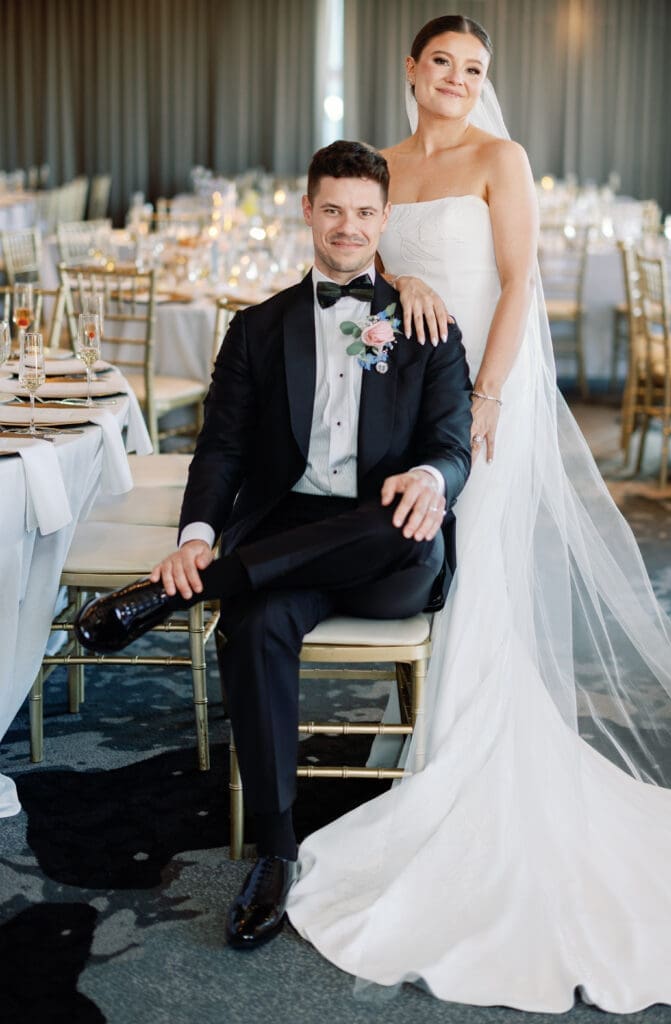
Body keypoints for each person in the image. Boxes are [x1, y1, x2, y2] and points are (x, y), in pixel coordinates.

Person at [285, 15, 671, 1014]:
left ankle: (466, 763)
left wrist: (487, 399)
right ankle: (435, 731)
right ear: (411, 69)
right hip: (413, 401)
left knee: (480, 566)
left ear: (484, 80)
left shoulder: (503, 156)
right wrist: (397, 277)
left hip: (490, 394)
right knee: (426, 563)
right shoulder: (387, 164)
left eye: (473, 68)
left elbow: (521, 280)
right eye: (441, 62)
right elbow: (369, 278)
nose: (456, 78)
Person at [75, 140, 473, 948]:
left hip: (389, 541)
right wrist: (194, 534)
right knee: (255, 628)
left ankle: (194, 588)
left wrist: (432, 478)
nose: (347, 227)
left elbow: (452, 441)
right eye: (332, 209)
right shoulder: (258, 328)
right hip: (289, 532)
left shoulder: (425, 323)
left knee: (391, 518)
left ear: (385, 219)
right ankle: (276, 852)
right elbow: (220, 447)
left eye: (364, 212)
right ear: (306, 211)